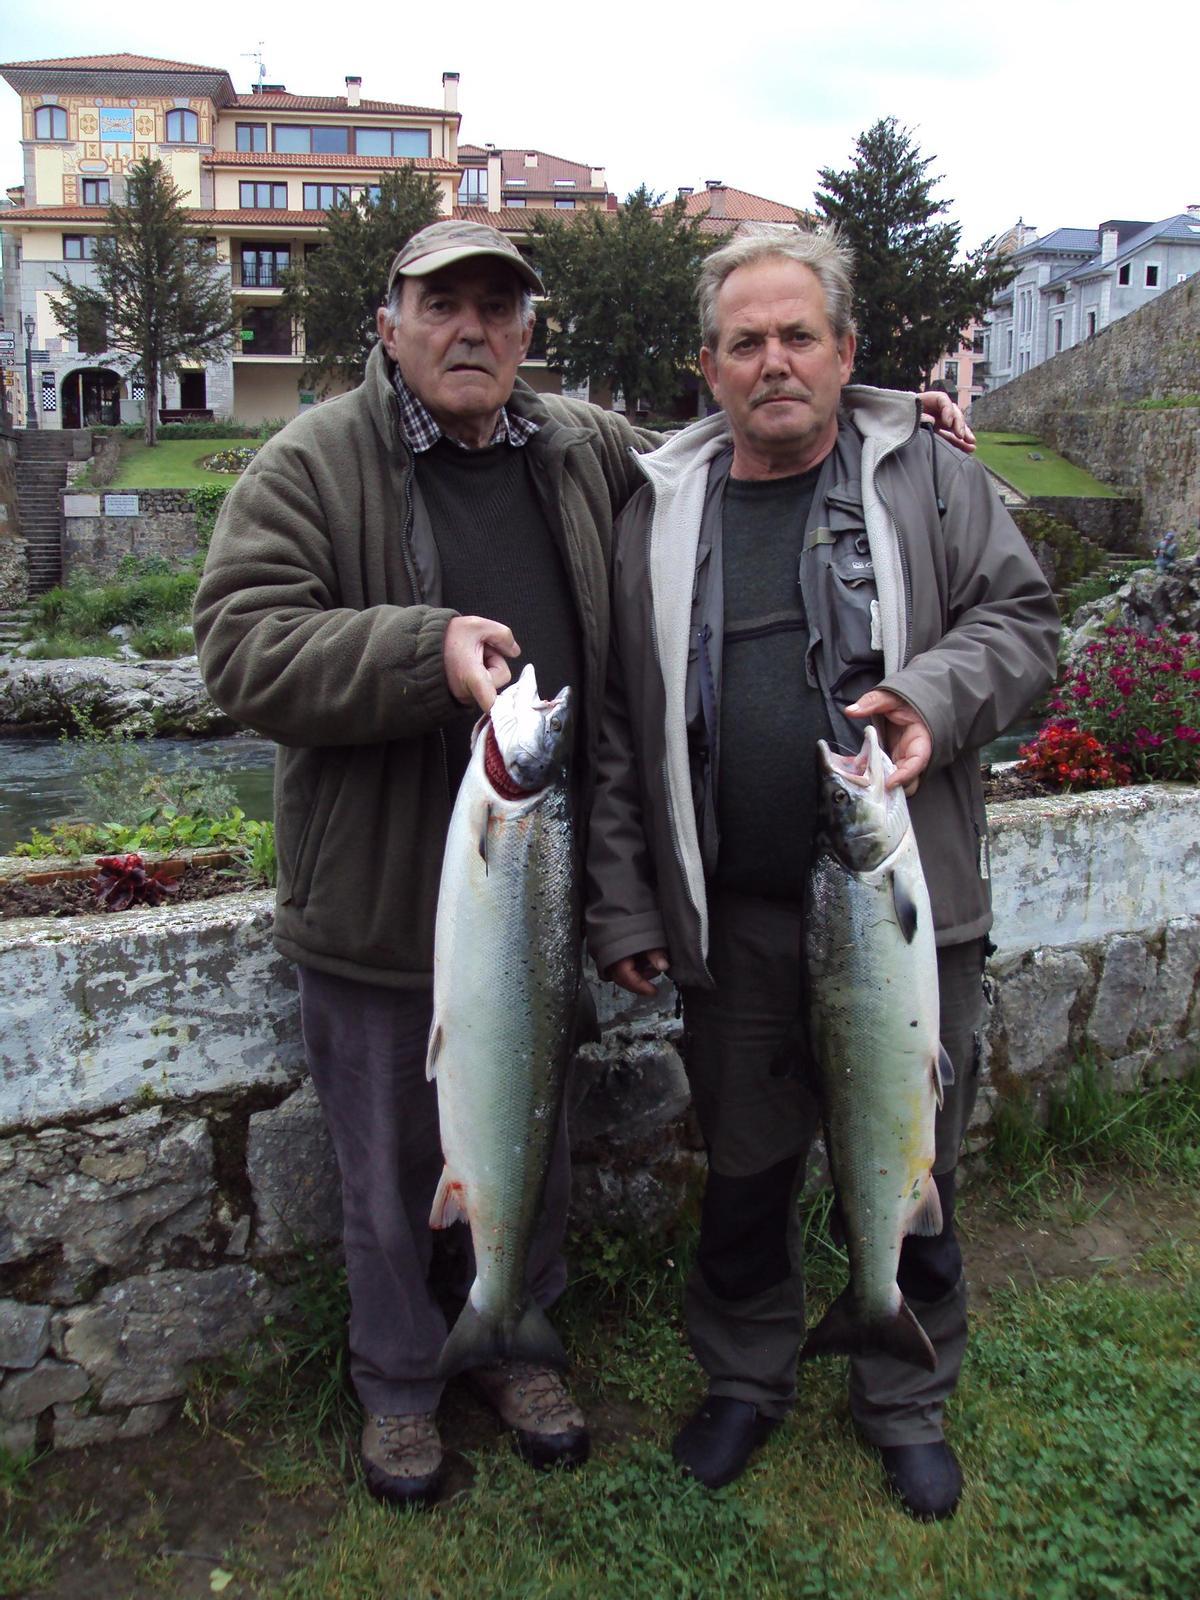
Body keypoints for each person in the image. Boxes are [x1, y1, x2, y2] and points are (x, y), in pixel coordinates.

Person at [193, 218, 973, 1509]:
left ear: (526, 332)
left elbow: (755, 416)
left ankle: (514, 1342)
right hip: (387, 900)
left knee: (525, 1138)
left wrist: (898, 410)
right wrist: (418, 650)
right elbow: (238, 648)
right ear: (388, 323)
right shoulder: (312, 462)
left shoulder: (578, 446)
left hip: (535, 894)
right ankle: (400, 1387)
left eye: (498, 310)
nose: (472, 332)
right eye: (443, 307)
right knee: (397, 1172)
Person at [585, 224, 1060, 1519]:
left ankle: (904, 1392)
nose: (775, 360)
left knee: (911, 1164)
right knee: (742, 1169)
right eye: (747, 341)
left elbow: (1024, 626)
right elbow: (623, 729)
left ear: (847, 351)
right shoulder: (658, 508)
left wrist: (930, 694)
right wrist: (628, 898)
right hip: (730, 916)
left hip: (904, 912)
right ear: (708, 365)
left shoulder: (936, 482)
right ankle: (743, 1382)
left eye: (800, 335)